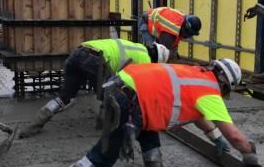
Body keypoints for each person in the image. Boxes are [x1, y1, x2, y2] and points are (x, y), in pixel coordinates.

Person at [47, 58, 262, 167]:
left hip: (120, 86)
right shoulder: (210, 92)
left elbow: (197, 115)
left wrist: (215, 138)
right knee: (107, 153)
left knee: (149, 132)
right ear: (226, 84)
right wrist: (249, 153)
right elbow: (236, 137)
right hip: (130, 102)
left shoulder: (196, 73)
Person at [20, 38, 170, 138]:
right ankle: (108, 129)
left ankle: (36, 124)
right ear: (158, 60)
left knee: (65, 96)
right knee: (111, 95)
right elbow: (137, 90)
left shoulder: (137, 47)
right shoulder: (145, 61)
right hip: (95, 59)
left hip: (79, 52)